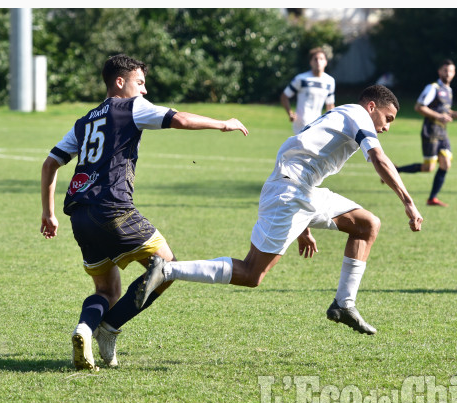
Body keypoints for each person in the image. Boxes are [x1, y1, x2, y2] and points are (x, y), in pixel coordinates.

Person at [136, 85, 423, 336]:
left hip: (303, 190)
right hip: (291, 192)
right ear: (371, 107)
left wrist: (304, 225)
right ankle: (168, 269)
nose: (386, 127)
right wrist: (409, 202)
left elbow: (299, 152)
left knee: (367, 224)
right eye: (387, 119)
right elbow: (378, 157)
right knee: (251, 274)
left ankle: (344, 304)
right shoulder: (359, 115)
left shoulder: (345, 114)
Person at [40, 54, 249, 371]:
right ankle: (109, 328)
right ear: (120, 82)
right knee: (168, 267)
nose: (145, 91)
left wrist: (48, 213)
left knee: (106, 290)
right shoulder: (130, 107)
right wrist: (223, 123)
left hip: (80, 215)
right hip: (114, 209)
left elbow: (50, 163)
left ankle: (85, 328)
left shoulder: (83, 122)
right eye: (140, 83)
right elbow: (179, 118)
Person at [396, 59, 457, 207]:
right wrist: (439, 116)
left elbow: (445, 111)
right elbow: (419, 107)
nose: (448, 74)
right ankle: (397, 170)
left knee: (446, 163)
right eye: (445, 70)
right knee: (429, 168)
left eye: (451, 71)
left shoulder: (449, 90)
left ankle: (432, 198)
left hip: (442, 131)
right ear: (439, 71)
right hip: (430, 131)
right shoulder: (432, 88)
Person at [280, 47, 336, 135]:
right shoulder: (301, 79)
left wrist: (331, 121)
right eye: (315, 59)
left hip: (318, 123)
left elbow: (330, 105)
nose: (318, 62)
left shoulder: (330, 81)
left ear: (325, 62)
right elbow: (284, 96)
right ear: (311, 62)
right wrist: (290, 113)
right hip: (301, 124)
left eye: (321, 59)